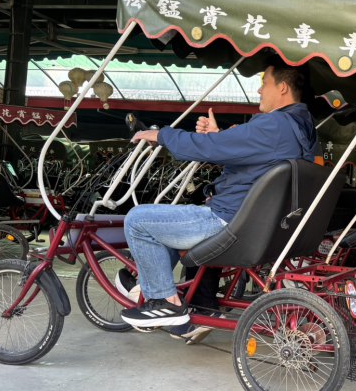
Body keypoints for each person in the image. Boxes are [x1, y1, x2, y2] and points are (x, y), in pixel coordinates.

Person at [120, 59, 318, 337]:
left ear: (283, 88)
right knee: (168, 225)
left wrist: (162, 135)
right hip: (258, 222)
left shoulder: (275, 124)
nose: (259, 91)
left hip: (229, 220)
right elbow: (250, 152)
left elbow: (210, 149)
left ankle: (165, 302)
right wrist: (220, 137)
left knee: (138, 219)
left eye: (264, 84)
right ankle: (152, 284)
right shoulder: (300, 129)